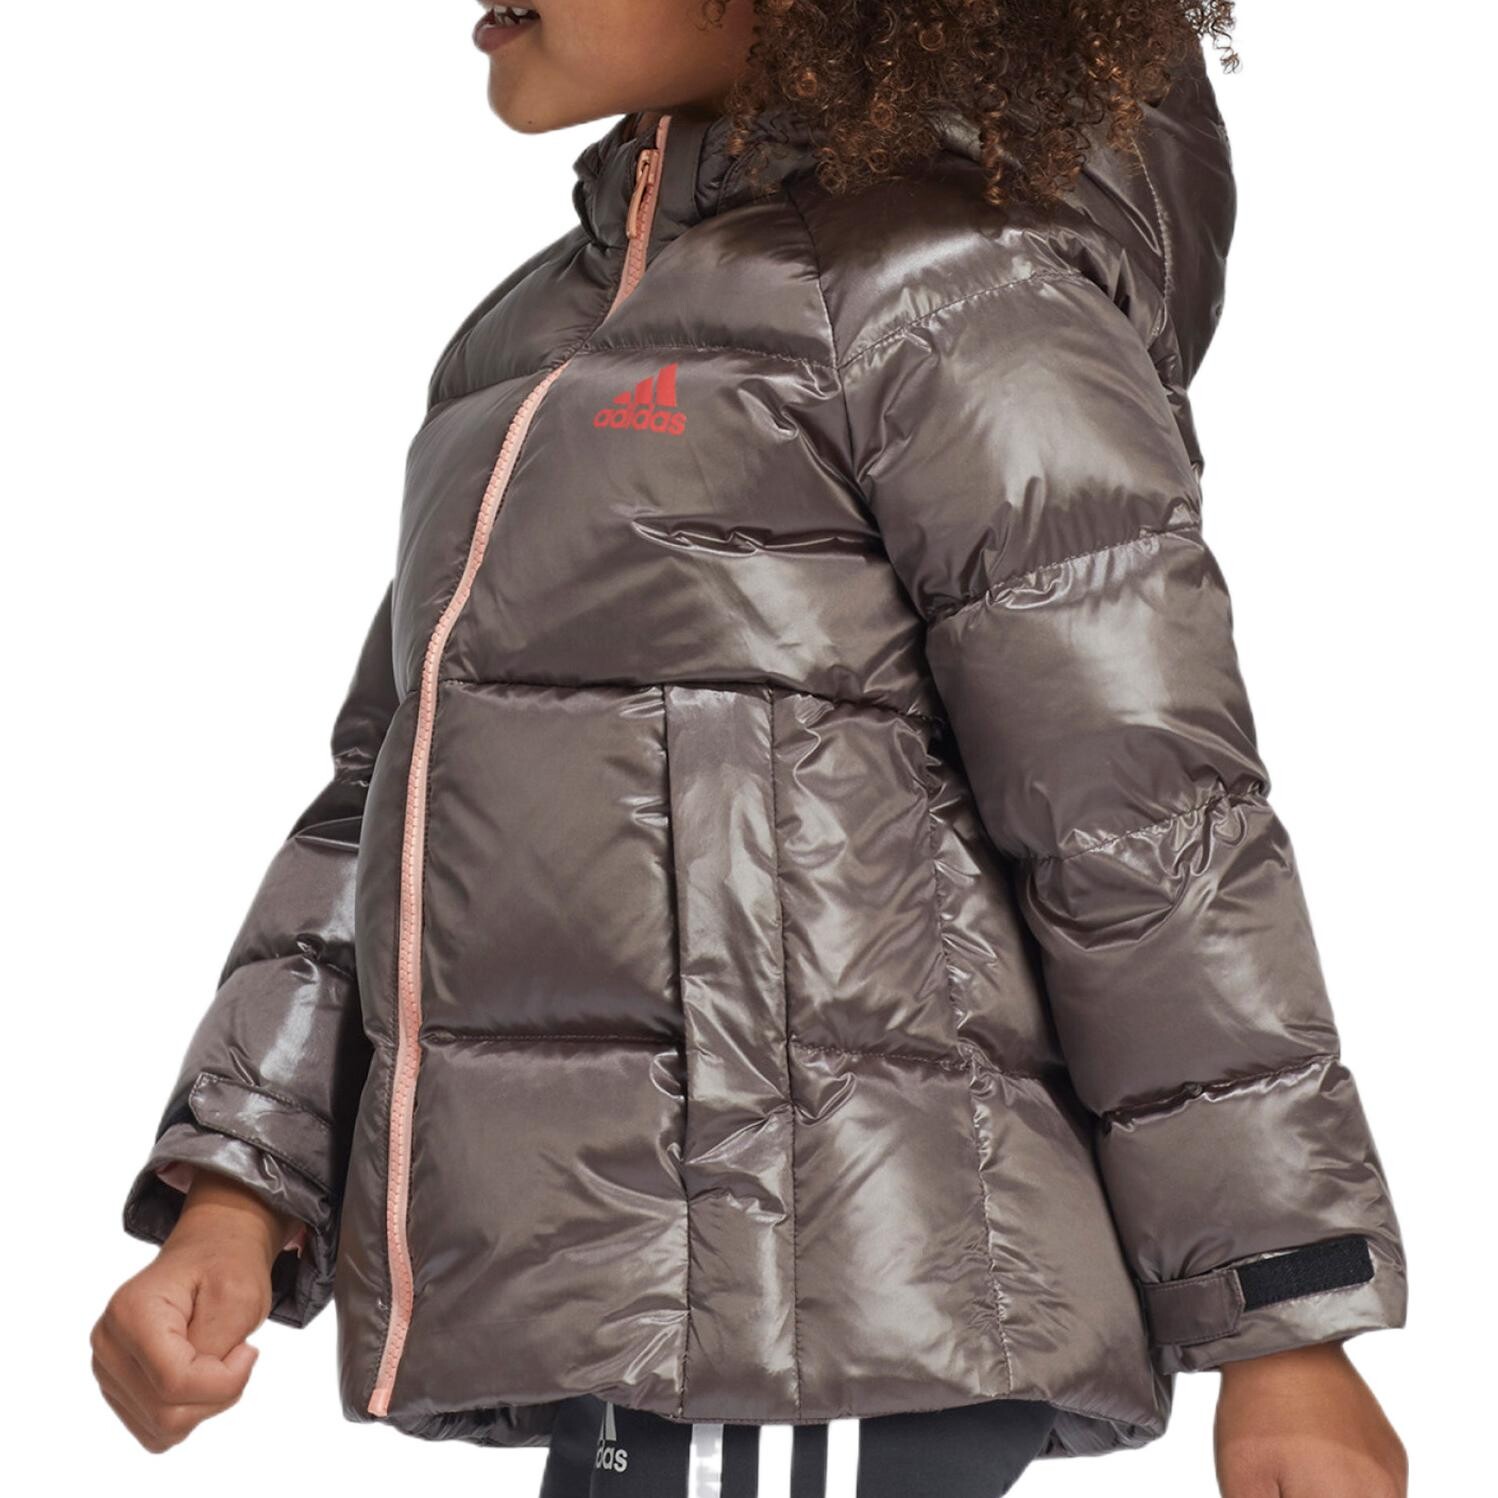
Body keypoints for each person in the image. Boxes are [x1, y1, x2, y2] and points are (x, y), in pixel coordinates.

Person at [92, 4, 1410, 1495]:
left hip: (819, 1307)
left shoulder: (960, 297)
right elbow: (386, 797)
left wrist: (1283, 1322)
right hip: (636, 1307)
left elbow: (1143, 826)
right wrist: (237, 1186)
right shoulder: (529, 343)